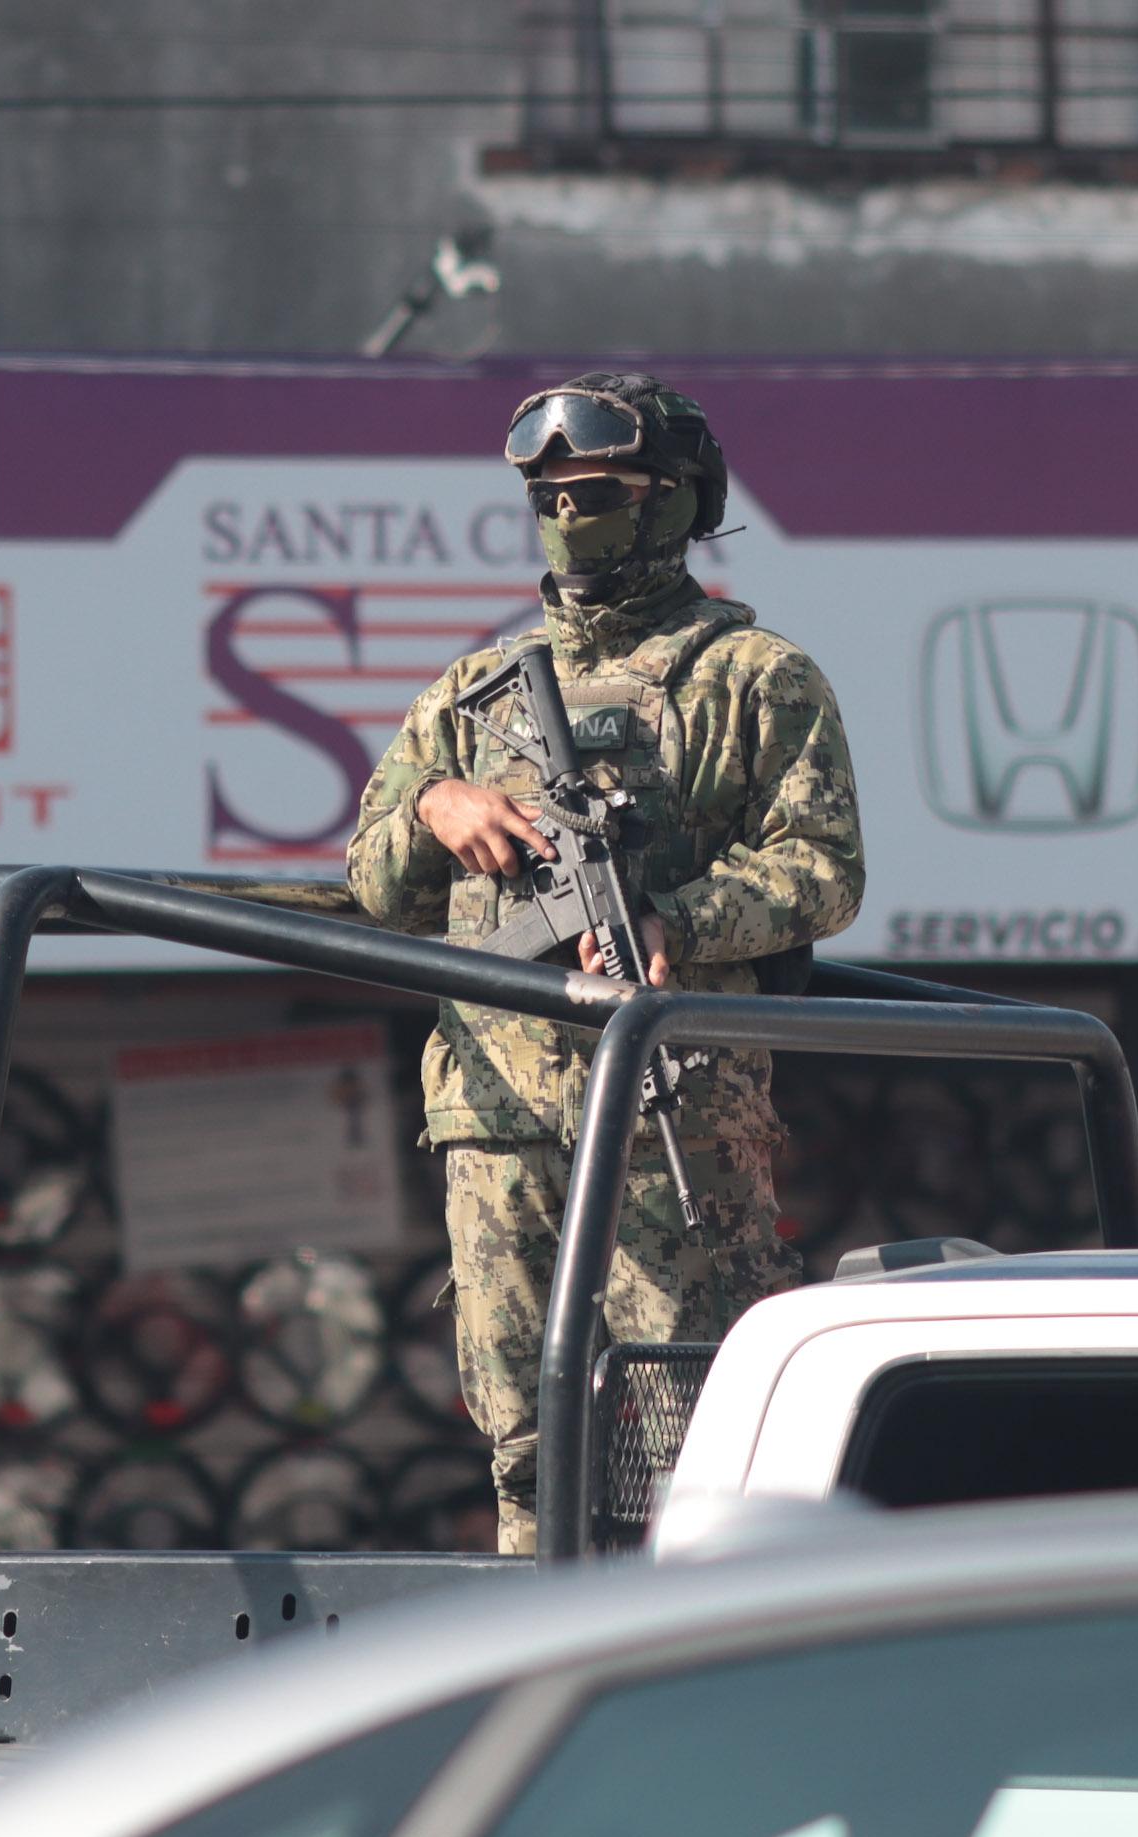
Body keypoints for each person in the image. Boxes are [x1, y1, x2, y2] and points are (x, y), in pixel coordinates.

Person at [348, 372, 864, 1553]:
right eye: (554, 494)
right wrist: (439, 806)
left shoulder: (754, 677)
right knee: (525, 1445)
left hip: (666, 1113)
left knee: (697, 1444)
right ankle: (548, 1649)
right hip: (496, 1109)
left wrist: (680, 917)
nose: (573, 516)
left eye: (604, 493)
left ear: (676, 501)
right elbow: (371, 880)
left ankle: (695, 1665)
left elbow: (822, 866)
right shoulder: (471, 696)